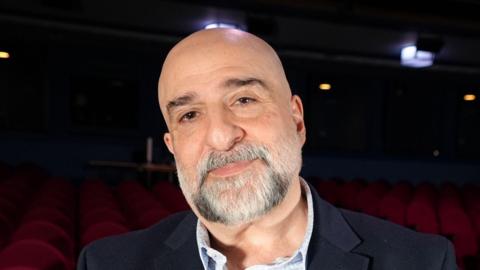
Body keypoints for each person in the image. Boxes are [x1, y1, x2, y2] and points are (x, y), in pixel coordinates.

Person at [77, 28, 457, 270]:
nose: (221, 137)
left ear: (296, 121)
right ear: (172, 147)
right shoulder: (106, 264)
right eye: (190, 114)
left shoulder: (421, 261)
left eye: (244, 100)